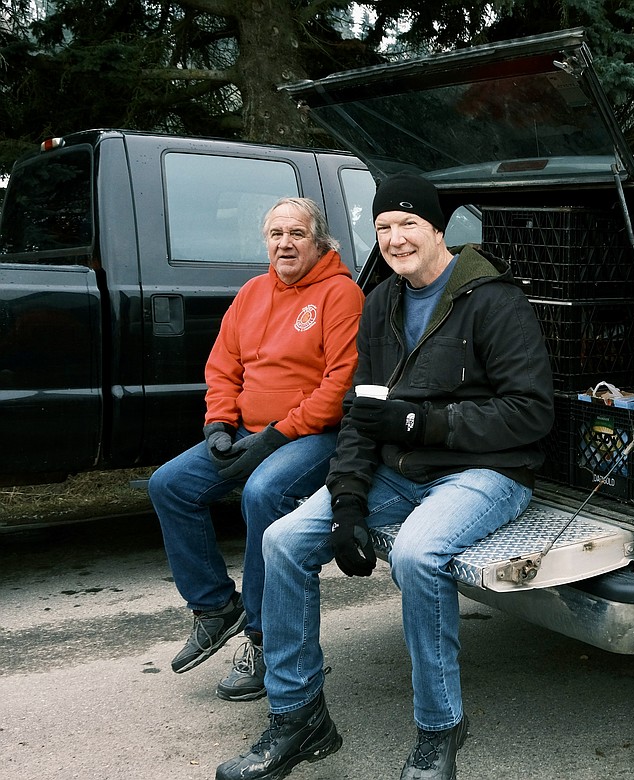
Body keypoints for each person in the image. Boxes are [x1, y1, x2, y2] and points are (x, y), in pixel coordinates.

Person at [215, 172, 554, 780]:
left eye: (408, 225)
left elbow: (530, 414)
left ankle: (439, 728)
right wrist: (346, 502)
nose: (397, 240)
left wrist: (423, 423)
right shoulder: (382, 304)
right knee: (283, 541)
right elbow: (361, 416)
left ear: (438, 229)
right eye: (384, 229)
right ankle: (298, 716)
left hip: (485, 472)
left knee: (418, 556)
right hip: (400, 471)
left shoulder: (495, 301)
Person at [149, 197, 363, 702]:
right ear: (265, 241)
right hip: (247, 430)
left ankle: (264, 639)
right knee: (170, 484)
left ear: (320, 241)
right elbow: (223, 366)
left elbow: (339, 387)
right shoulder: (251, 292)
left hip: (314, 436)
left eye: (297, 234)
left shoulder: (341, 294)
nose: (285, 243)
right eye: (275, 234)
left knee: (263, 493)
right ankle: (216, 607)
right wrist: (219, 424)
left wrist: (274, 437)